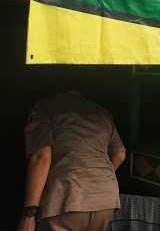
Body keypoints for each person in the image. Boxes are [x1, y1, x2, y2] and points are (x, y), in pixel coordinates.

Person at [17, 91, 126, 231]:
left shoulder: (45, 108)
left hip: (66, 200)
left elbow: (41, 156)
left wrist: (29, 215)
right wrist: (98, 179)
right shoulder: (101, 111)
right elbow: (120, 154)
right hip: (104, 202)